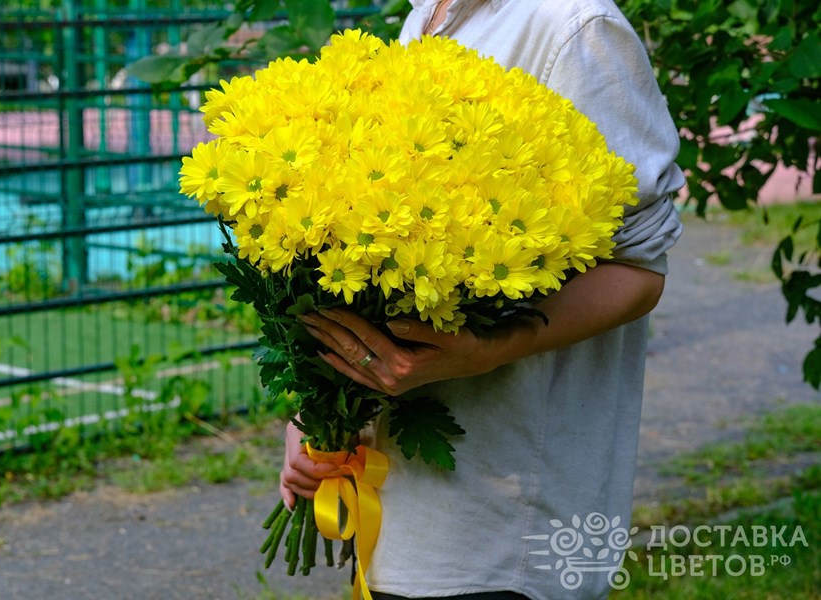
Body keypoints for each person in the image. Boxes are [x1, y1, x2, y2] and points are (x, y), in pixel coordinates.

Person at [280, 1, 685, 598]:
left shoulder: (575, 26)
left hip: (508, 531)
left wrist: (486, 349)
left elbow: (639, 269)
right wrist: (321, 412)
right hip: (402, 510)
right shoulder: (426, 18)